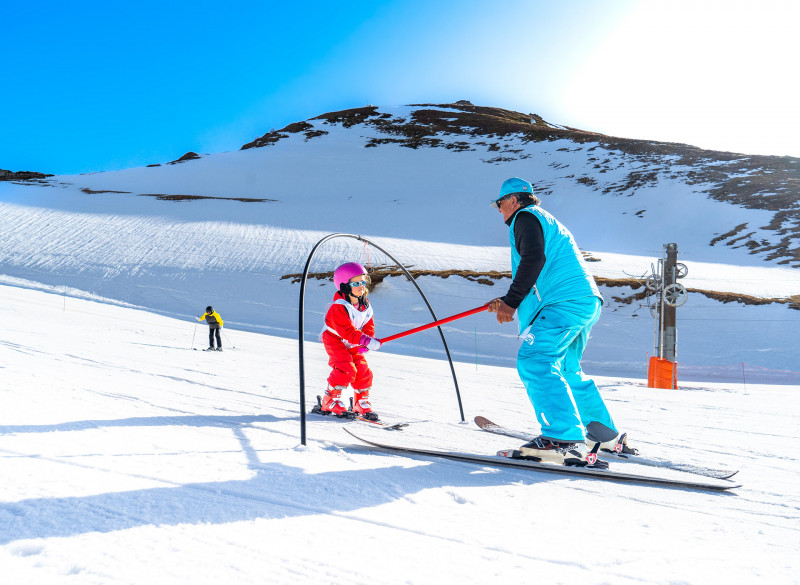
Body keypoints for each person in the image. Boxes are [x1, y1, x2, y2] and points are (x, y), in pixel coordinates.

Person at [487, 177, 634, 467]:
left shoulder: (525, 217)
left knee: (535, 360)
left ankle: (560, 438)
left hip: (563, 304)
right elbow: (543, 267)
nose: (499, 210)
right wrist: (507, 298)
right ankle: (602, 435)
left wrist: (512, 302)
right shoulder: (546, 220)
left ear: (514, 200)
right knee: (567, 368)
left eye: (500, 203)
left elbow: (533, 260)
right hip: (584, 301)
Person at [319, 262, 381, 420]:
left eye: (363, 281)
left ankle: (360, 401)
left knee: (362, 369)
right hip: (335, 340)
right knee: (345, 368)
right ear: (344, 286)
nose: (361, 286)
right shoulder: (339, 307)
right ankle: (330, 399)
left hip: (353, 341)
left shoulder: (364, 304)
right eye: (355, 283)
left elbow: (367, 324)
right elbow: (346, 331)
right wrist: (365, 340)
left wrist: (368, 340)